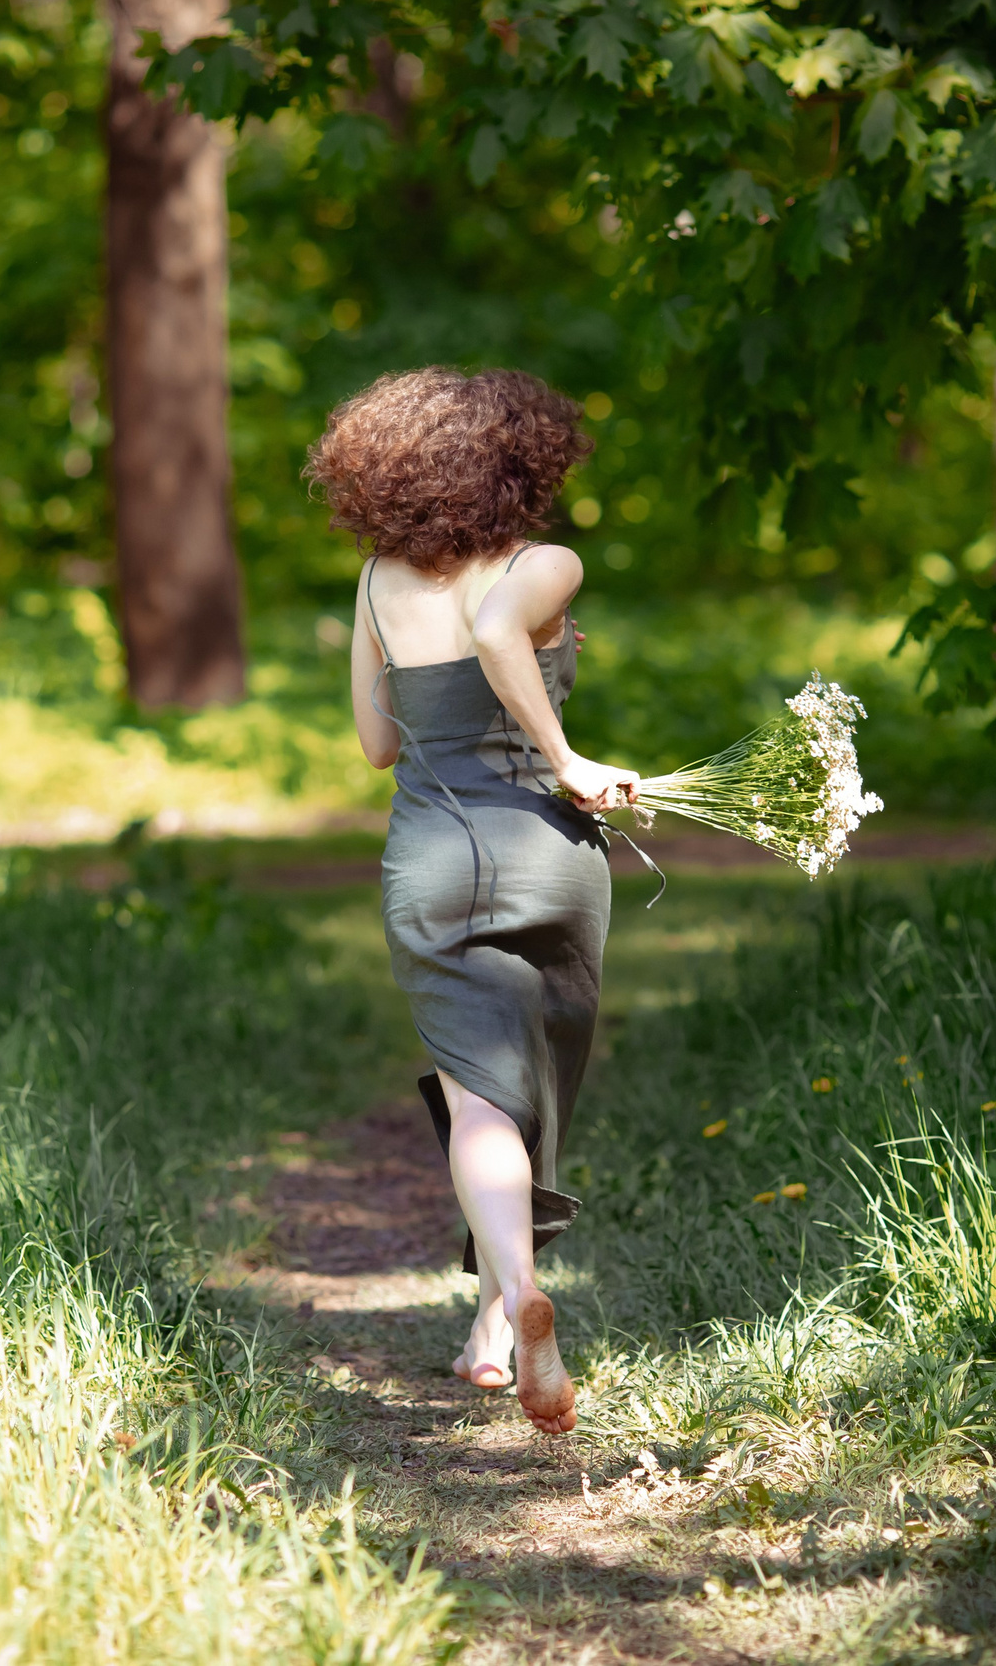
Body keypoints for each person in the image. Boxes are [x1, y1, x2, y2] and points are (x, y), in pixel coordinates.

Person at [307, 367, 641, 1437]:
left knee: (481, 1097)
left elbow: (374, 746)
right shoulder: (545, 562)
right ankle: (502, 1319)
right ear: (521, 460)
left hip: (434, 864)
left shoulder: (373, 585)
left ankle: (506, 1306)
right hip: (545, 852)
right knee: (534, 1086)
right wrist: (568, 756)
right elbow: (502, 633)